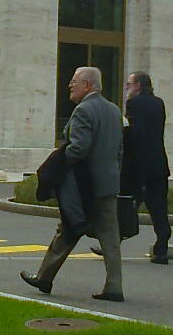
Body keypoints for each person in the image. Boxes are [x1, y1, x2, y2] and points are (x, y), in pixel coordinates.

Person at [20, 66, 125, 302]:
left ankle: (44, 278)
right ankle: (114, 286)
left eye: (74, 81)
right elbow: (119, 149)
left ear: (87, 85)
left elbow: (78, 148)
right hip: (108, 184)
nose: (70, 85)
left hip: (83, 185)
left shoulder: (84, 110)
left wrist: (57, 163)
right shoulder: (114, 110)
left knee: (68, 229)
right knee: (110, 237)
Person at [123, 71, 171, 263]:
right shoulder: (159, 103)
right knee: (159, 207)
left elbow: (136, 134)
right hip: (158, 163)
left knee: (126, 205)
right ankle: (162, 249)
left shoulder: (133, 103)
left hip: (138, 165)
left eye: (129, 84)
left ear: (138, 86)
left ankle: (111, 244)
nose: (127, 88)